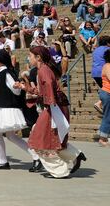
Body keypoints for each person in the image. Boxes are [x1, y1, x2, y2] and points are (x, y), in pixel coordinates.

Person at [26, 46, 86, 178]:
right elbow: (46, 89)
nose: (28, 58)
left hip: (53, 107)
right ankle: (74, 154)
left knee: (40, 140)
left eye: (30, 56)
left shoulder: (43, 70)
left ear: (38, 57)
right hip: (55, 106)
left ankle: (60, 171)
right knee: (49, 138)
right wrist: (30, 90)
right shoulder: (44, 69)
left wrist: (49, 102)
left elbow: (48, 86)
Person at [0, 50, 42, 171]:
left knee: (8, 135)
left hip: (6, 108)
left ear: (1, 61)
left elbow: (16, 91)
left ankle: (36, 157)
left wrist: (16, 87)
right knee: (1, 134)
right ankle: (3, 160)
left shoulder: (7, 73)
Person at [92, 36, 110, 114]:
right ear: (108, 43)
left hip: (95, 73)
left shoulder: (96, 50)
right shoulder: (107, 50)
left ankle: (100, 103)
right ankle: (99, 103)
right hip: (104, 72)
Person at [98, 49, 110, 147]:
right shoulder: (107, 66)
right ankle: (102, 138)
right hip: (107, 93)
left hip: (106, 93)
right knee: (108, 116)